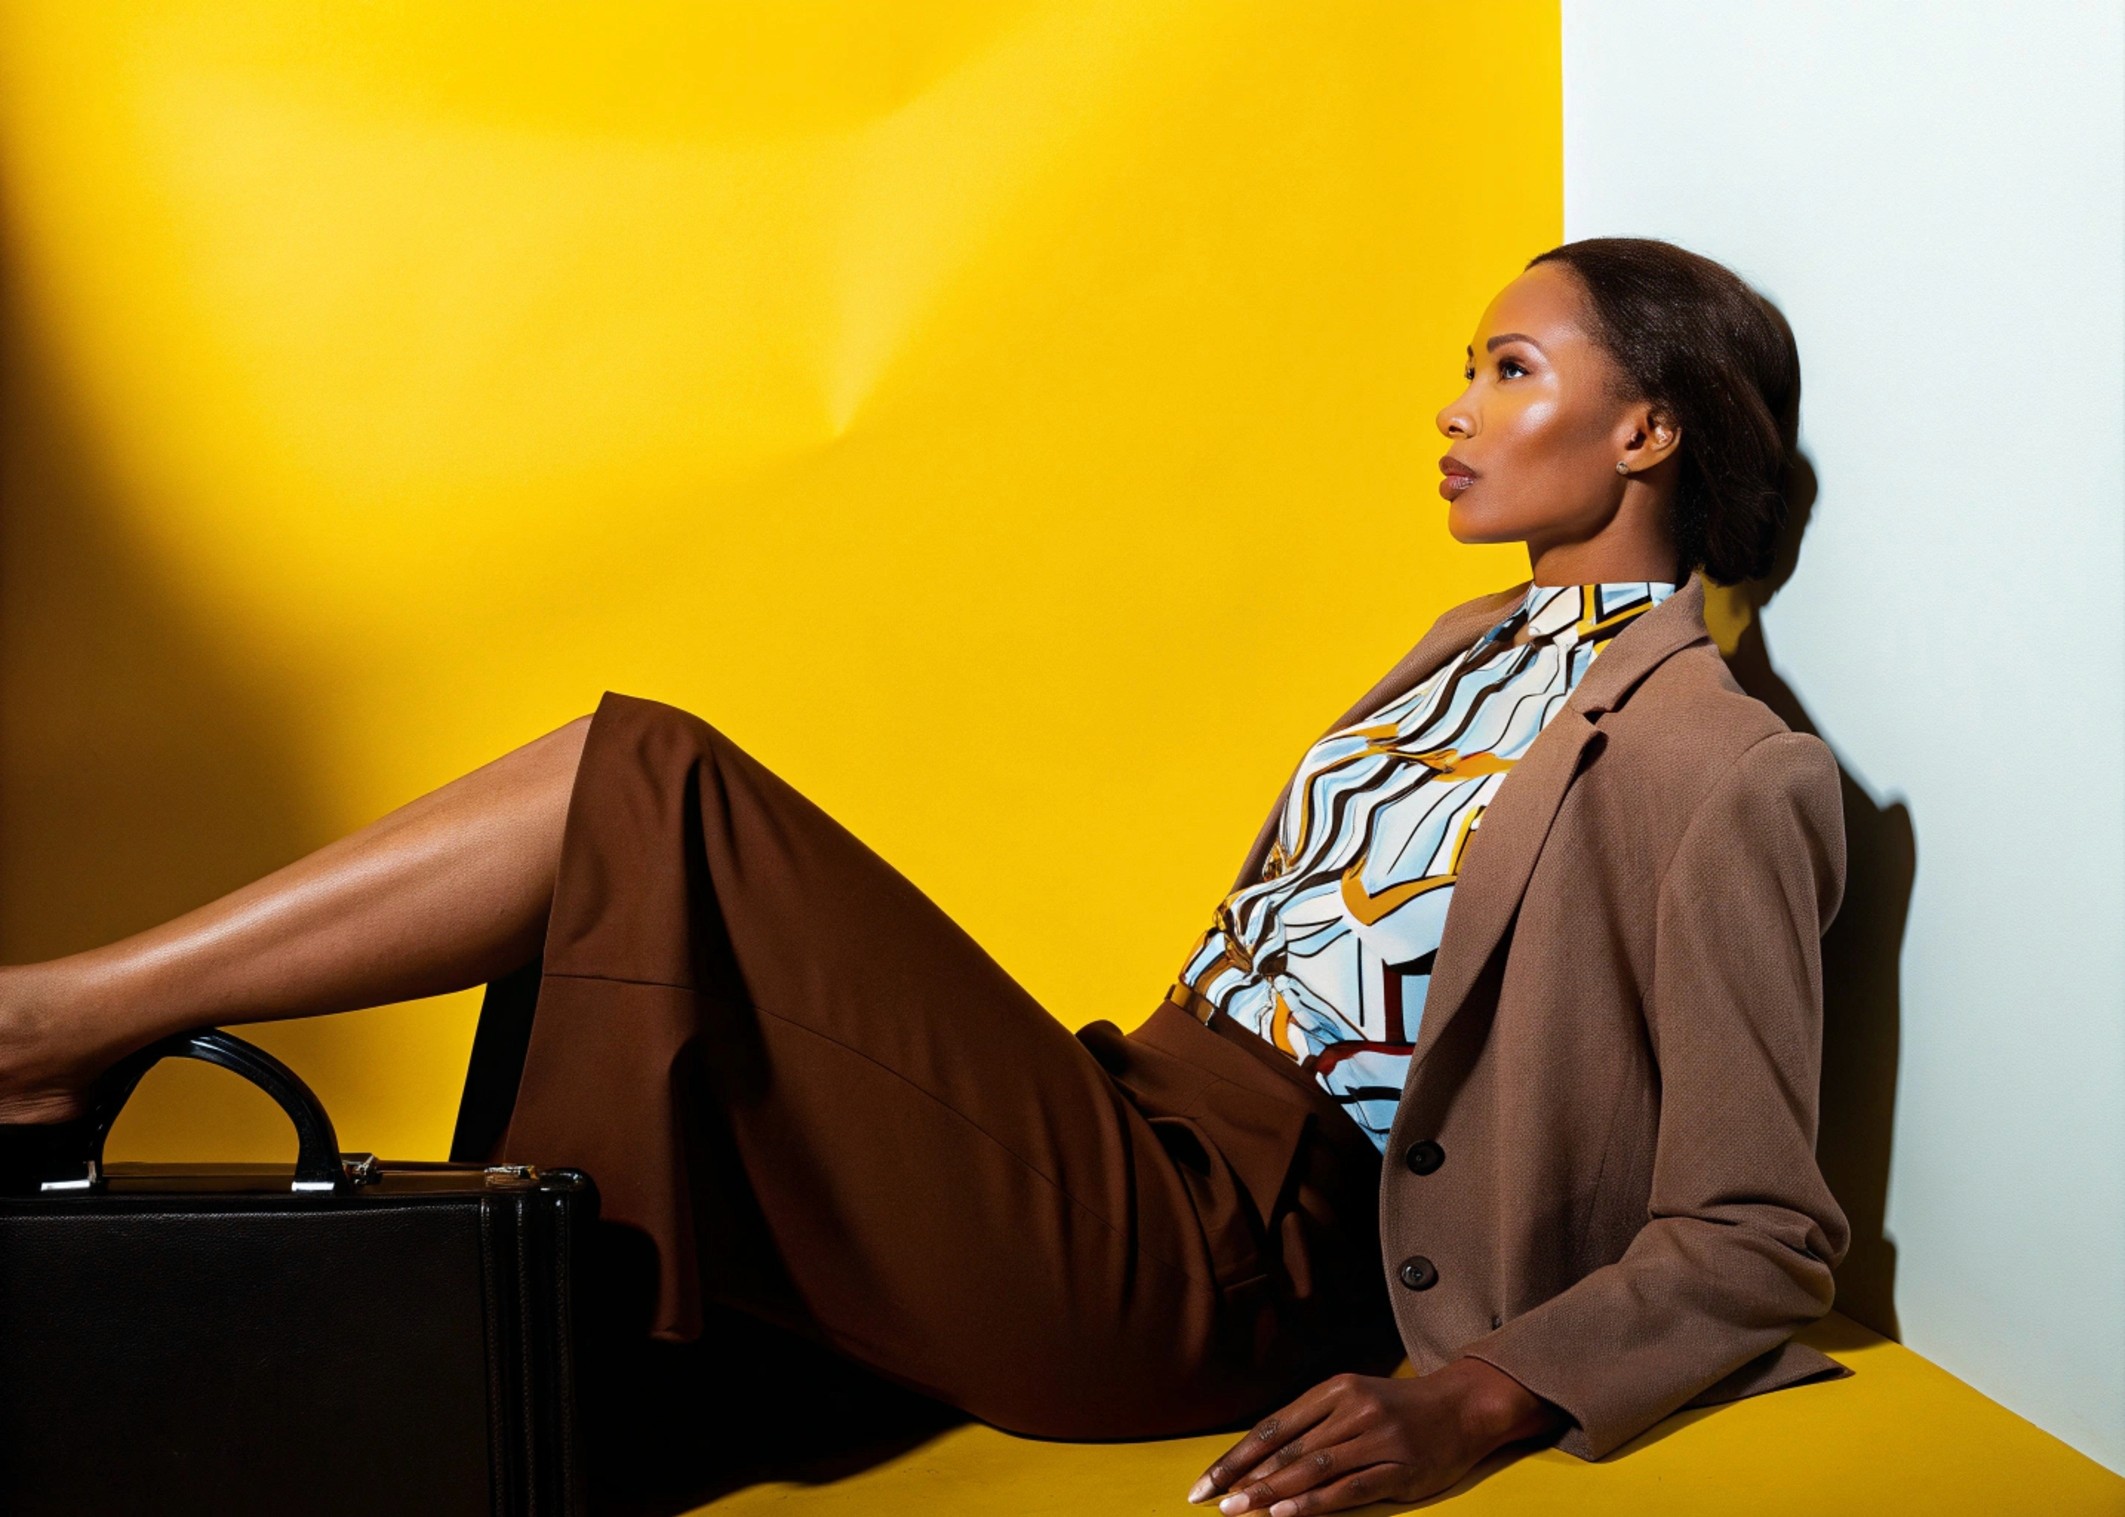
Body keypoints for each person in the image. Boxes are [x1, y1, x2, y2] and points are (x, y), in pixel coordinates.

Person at [0, 235, 1848, 1513]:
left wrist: (1468, 1396)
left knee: (646, 786)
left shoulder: (1720, 761)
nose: (1452, 405)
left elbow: (1757, 1230)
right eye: (1462, 367)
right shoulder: (1457, 648)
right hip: (1122, 1112)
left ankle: (56, 1022)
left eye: (1508, 369)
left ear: (1647, 429)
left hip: (1223, 1250)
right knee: (608, 987)